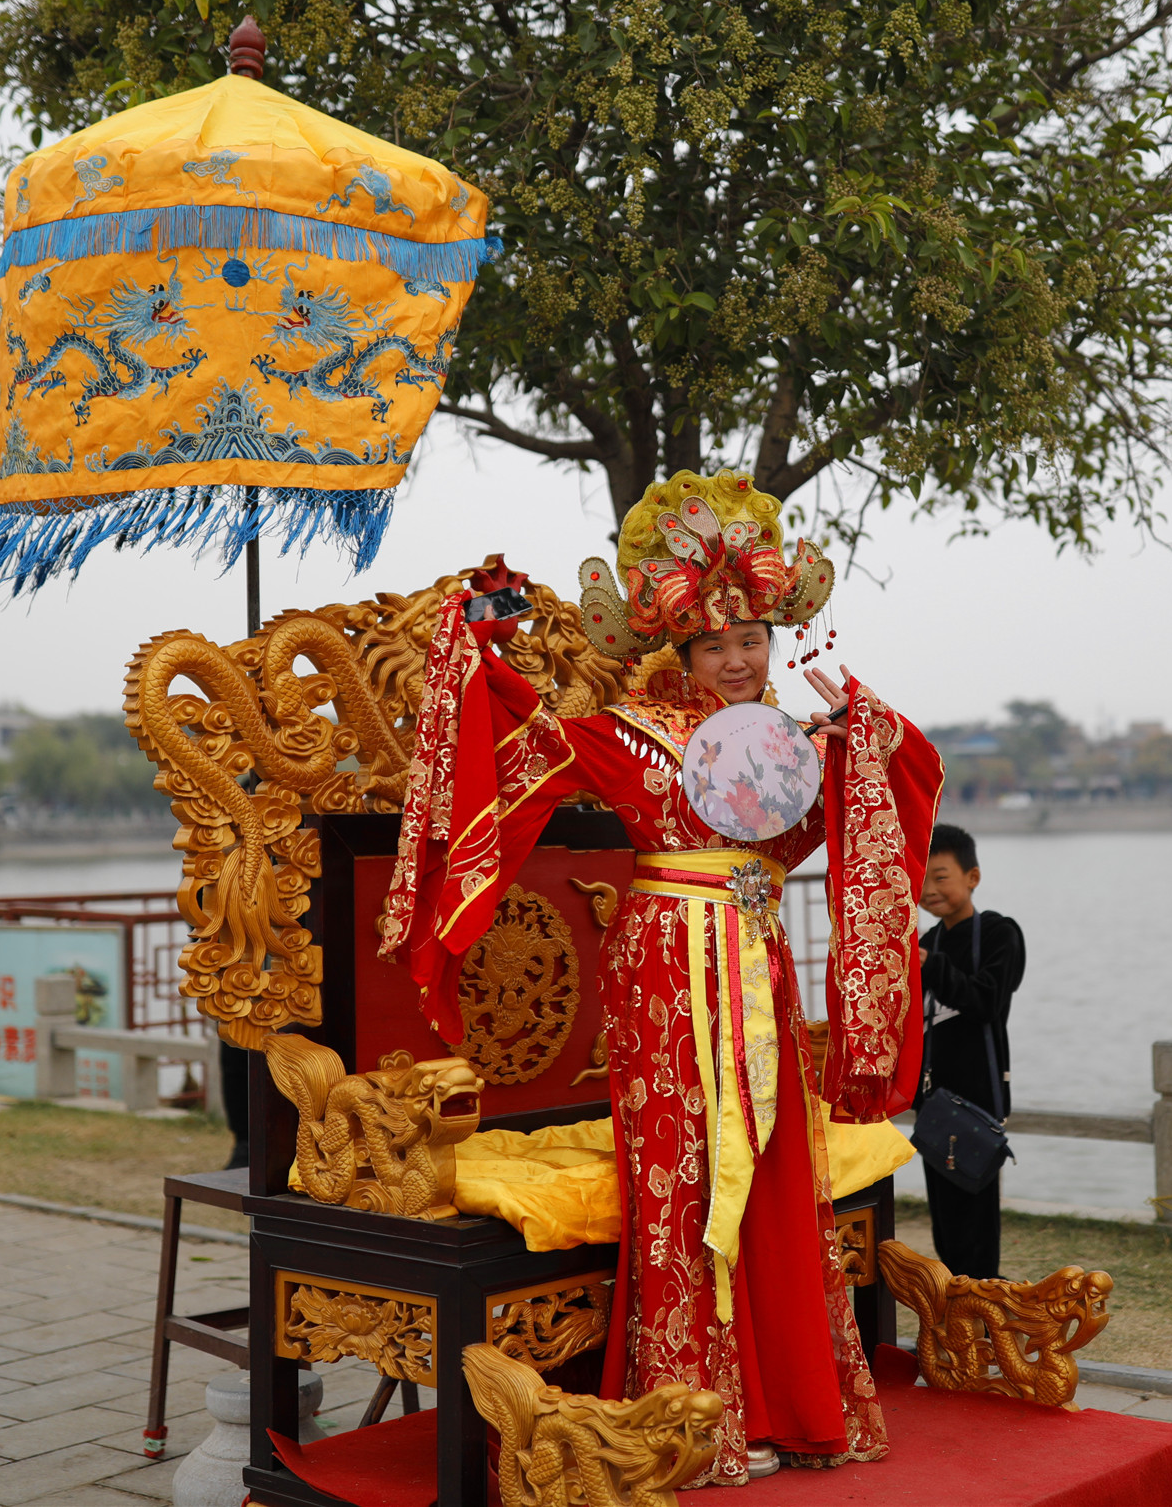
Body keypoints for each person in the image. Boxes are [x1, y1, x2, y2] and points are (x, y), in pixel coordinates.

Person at [378, 470, 943, 1486]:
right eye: (715, 644)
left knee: (770, 1168)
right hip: (664, 971)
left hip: (757, 959)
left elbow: (876, 800)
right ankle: (701, 1416)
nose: (736, 660)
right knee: (682, 1178)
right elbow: (513, 746)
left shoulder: (786, 744)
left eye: (751, 640)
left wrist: (864, 731)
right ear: (676, 649)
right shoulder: (626, 735)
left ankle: (795, 1402)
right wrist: (479, 644)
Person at [916, 823, 1025, 1280]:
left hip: (978, 1104)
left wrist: (931, 966)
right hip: (935, 1104)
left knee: (977, 1227)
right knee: (945, 1224)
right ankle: (956, 1319)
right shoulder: (926, 943)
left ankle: (983, 1321)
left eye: (941, 877)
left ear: (972, 877)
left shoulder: (999, 933)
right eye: (920, 880)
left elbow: (987, 1002)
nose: (929, 889)